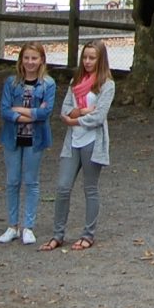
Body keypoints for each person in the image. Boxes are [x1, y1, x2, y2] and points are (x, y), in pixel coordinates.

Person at [41, 40, 114, 251]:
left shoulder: (107, 84)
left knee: (90, 188)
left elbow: (99, 116)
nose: (88, 61)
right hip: (72, 141)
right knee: (63, 187)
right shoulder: (76, 81)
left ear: (100, 60)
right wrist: (82, 112)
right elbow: (65, 110)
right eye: (85, 57)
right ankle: (57, 234)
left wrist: (78, 117)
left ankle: (88, 235)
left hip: (92, 142)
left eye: (92, 58)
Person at [0, 43, 58, 243]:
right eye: (27, 58)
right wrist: (30, 115)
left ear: (41, 60)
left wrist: (20, 110)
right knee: (12, 181)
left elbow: (45, 113)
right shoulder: (11, 83)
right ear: (21, 60)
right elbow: (5, 110)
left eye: (34, 58)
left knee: (31, 181)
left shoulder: (48, 84)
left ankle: (28, 226)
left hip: (36, 138)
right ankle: (12, 225)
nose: (30, 62)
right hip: (12, 138)